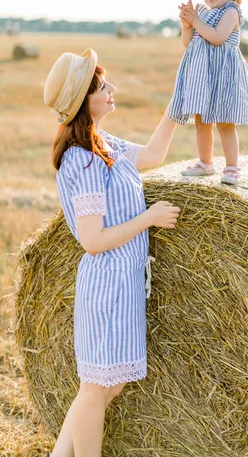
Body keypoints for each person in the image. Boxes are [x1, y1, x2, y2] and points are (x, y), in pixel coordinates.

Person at [43, 48, 180, 457]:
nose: (112, 89)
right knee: (95, 387)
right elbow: (92, 239)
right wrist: (149, 218)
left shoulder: (104, 144)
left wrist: (177, 105)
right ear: (84, 100)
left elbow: (154, 157)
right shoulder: (81, 160)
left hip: (125, 282)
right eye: (102, 86)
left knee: (109, 384)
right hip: (106, 286)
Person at [168, 0, 248, 185]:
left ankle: (232, 168)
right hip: (203, 77)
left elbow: (217, 38)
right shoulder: (202, 12)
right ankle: (205, 163)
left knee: (225, 123)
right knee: (201, 122)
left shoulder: (231, 12)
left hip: (222, 77)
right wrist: (187, 25)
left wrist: (197, 21)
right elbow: (188, 43)